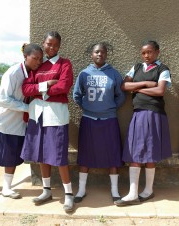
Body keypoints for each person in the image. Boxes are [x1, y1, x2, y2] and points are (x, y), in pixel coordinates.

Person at [21, 31, 75, 213]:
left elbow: (64, 86)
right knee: (42, 154)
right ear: (43, 44)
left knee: (58, 155)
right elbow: (26, 88)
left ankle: (68, 194)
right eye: (49, 44)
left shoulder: (64, 63)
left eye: (55, 45)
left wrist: (41, 93)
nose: (51, 48)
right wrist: (46, 86)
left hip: (56, 115)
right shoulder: (37, 64)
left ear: (59, 47)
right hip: (37, 116)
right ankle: (46, 190)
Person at [0, 43, 43, 199]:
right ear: (25, 57)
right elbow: (3, 100)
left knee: (13, 156)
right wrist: (27, 108)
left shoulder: (33, 74)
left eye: (40, 59)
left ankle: (7, 188)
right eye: (35, 58)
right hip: (1, 122)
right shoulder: (13, 73)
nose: (38, 62)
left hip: (18, 124)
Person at [114, 40, 172, 206]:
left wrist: (137, 89)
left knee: (149, 151)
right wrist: (145, 84)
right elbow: (124, 85)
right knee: (136, 150)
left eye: (150, 52)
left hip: (154, 114)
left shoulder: (163, 69)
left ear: (157, 52)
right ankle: (133, 193)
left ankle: (148, 190)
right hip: (138, 113)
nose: (146, 56)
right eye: (143, 53)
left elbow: (160, 90)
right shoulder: (137, 67)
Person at [72, 42, 126, 203]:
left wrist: (108, 109)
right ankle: (81, 190)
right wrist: (89, 108)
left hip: (109, 119)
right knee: (85, 155)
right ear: (92, 54)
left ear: (106, 54)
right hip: (89, 119)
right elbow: (77, 95)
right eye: (96, 52)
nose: (99, 55)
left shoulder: (114, 74)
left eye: (102, 52)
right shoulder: (84, 74)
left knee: (113, 154)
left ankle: (115, 191)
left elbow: (121, 96)